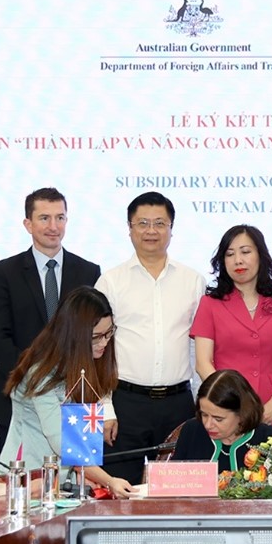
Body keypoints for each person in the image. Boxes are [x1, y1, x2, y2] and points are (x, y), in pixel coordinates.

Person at [95, 191, 205, 483]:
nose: (151, 231)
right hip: (126, 403)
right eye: (142, 223)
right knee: (119, 492)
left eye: (160, 223)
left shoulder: (193, 280)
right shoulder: (111, 281)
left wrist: (201, 404)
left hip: (179, 404)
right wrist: (105, 408)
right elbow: (98, 350)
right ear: (129, 228)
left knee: (181, 495)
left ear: (172, 229)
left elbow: (197, 348)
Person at [0, 187, 101, 451]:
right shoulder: (4, 272)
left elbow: (94, 335)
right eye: (44, 218)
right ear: (28, 224)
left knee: (81, 475)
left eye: (60, 218)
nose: (53, 226)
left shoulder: (89, 271)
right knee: (23, 483)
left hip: (77, 393)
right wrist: (37, 380)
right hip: (20, 394)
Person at [0, 286, 135, 498]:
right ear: (74, 335)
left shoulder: (85, 367)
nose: (105, 343)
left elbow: (81, 436)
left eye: (109, 333)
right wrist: (108, 481)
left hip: (61, 482)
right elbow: (63, 442)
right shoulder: (41, 373)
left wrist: (84, 474)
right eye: (97, 336)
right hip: (27, 480)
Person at [191, 225, 272, 428]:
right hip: (224, 408)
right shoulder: (210, 303)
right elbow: (202, 362)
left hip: (270, 406)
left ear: (261, 255)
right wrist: (229, 402)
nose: (238, 260)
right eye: (230, 254)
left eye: (246, 252)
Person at [173, 369, 272, 473]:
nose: (208, 425)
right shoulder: (191, 431)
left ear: (242, 413)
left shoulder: (270, 439)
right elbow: (173, 483)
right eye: (204, 415)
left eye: (218, 419)